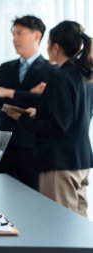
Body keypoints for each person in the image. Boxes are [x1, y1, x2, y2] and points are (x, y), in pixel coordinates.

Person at [22, 21, 93, 217]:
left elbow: (56, 126)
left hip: (59, 163)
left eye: (48, 43)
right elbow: (78, 115)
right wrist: (42, 114)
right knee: (79, 226)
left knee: (58, 225)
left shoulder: (59, 76)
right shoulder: (85, 76)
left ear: (56, 47)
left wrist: (27, 119)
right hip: (80, 161)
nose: (46, 48)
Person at [0, 15, 55, 190]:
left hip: (30, 145)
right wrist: (28, 94)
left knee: (30, 200)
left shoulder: (50, 70)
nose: (14, 39)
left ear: (37, 36)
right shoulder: (5, 67)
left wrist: (8, 92)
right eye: (13, 34)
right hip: (1, 145)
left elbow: (43, 102)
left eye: (19, 33)